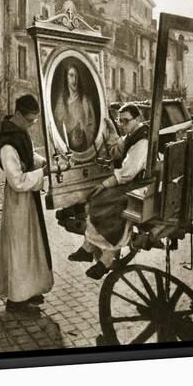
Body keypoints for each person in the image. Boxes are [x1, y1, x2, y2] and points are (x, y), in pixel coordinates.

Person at [68, 103, 149, 280]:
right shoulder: (132, 135)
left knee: (105, 202)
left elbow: (128, 172)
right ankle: (88, 249)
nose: (122, 124)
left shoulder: (142, 140)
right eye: (120, 121)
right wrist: (111, 131)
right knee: (98, 199)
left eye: (126, 121)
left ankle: (104, 260)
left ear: (138, 119)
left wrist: (105, 184)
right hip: (133, 181)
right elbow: (117, 149)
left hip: (139, 185)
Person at [0, 94, 54, 316]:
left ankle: (30, 290)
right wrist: (42, 172)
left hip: (28, 202)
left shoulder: (19, 133)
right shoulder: (7, 144)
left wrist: (42, 162)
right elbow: (17, 180)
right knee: (20, 250)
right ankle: (16, 300)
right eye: (30, 120)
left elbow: (28, 157)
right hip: (18, 202)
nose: (32, 124)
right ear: (18, 115)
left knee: (31, 247)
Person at [54, 63, 96, 152]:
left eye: (76, 76)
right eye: (71, 75)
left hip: (84, 145)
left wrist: (83, 130)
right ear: (66, 78)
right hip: (68, 147)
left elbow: (92, 125)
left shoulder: (85, 100)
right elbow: (58, 126)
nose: (74, 80)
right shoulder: (61, 101)